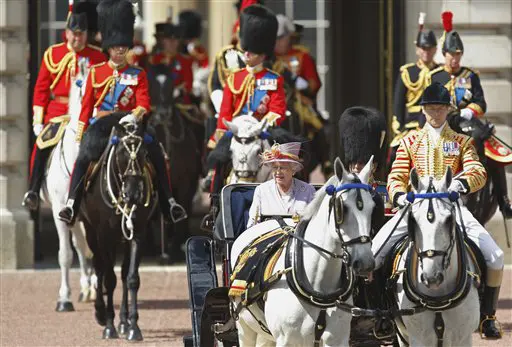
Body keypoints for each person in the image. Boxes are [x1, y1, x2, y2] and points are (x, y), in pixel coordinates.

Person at [372, 82, 504, 338]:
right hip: (415, 208)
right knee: (374, 254)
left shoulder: (462, 141)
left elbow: (478, 172)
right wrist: (400, 196)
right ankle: (383, 313)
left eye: (440, 108)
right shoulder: (409, 142)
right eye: (431, 108)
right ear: (423, 110)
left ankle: (487, 317)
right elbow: (396, 176)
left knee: (496, 256)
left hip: (451, 207)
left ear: (448, 109)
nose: (435, 113)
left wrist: (460, 182)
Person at [58, 0, 186, 226]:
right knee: (83, 158)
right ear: (109, 47)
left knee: (155, 150)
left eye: (123, 48)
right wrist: (81, 133)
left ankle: (169, 203)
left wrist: (134, 115)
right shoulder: (96, 73)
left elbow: (144, 103)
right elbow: (87, 106)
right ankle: (71, 203)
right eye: (116, 47)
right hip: (102, 125)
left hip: (130, 124)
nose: (120, 51)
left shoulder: (138, 73)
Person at [22, 0, 106, 210]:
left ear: (87, 34)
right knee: (42, 146)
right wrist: (38, 121)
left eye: (81, 34)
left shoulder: (96, 56)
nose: (77, 38)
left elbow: (103, 90)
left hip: (88, 115)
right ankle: (33, 190)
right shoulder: (53, 54)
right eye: (74, 33)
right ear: (67, 33)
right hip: (58, 113)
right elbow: (41, 90)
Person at [429, 11, 511, 219]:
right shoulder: (435, 76)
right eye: (451, 54)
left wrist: (470, 110)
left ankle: (503, 201)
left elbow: (481, 103)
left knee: (494, 153)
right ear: (444, 54)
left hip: (468, 124)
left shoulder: (471, 76)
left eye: (458, 55)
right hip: (444, 124)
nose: (455, 59)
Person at [274, 14, 331, 177]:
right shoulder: (269, 58)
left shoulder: (301, 56)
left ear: (289, 37)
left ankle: (325, 160)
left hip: (299, 100)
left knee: (319, 126)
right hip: (275, 100)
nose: (278, 43)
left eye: (281, 38)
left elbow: (314, 83)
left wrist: (300, 83)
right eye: (275, 39)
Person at [390, 12, 439, 152]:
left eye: (429, 48)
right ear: (417, 49)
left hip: (437, 123)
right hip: (412, 124)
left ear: (435, 49)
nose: (426, 52)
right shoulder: (406, 72)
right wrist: (399, 129)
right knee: (395, 155)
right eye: (423, 48)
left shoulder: (441, 72)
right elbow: (398, 104)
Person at [247, 142, 315, 228]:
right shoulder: (261, 190)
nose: (278, 172)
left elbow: (315, 224)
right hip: (269, 239)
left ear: (293, 170)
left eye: (283, 168)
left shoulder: (308, 190)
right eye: (275, 168)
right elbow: (252, 224)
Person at [148, 23, 194, 105]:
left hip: (179, 101)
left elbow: (188, 84)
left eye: (175, 39)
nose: (172, 43)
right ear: (163, 41)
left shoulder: (185, 61)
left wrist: (176, 90)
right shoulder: (153, 59)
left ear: (178, 41)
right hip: (156, 100)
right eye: (168, 39)